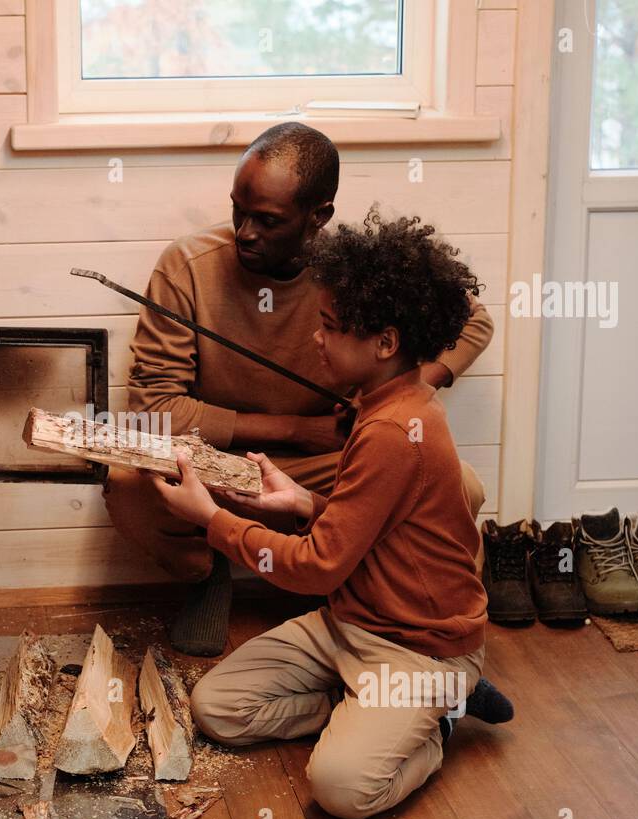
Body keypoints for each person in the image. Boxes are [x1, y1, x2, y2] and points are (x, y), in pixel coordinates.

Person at [148, 208, 509, 819]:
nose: (317, 337)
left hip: (421, 650)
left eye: (331, 326)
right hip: (349, 624)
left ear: (385, 344)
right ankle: (357, 704)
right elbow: (367, 522)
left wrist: (211, 519)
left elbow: (315, 569)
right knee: (218, 708)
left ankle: (445, 713)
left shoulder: (397, 429)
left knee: (342, 789)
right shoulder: (384, 404)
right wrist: (303, 502)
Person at [104, 122, 493, 656]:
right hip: (214, 459)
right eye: (239, 209)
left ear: (319, 217)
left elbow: (472, 322)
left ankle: (346, 588)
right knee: (128, 482)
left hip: (320, 464)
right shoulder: (187, 266)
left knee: (459, 483)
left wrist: (397, 387)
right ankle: (205, 576)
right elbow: (153, 408)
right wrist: (294, 428)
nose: (245, 232)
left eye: (268, 221)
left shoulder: (353, 273)